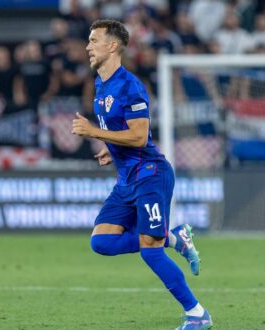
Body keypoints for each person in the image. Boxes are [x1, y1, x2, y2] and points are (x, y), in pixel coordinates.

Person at [72, 19, 212, 330]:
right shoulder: (100, 84)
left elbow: (138, 136)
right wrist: (110, 146)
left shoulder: (130, 86)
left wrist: (94, 132)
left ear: (112, 45)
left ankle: (197, 314)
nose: (87, 46)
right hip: (126, 180)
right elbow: (123, 132)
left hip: (150, 174)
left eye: (94, 41)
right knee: (102, 242)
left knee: (150, 251)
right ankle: (175, 238)